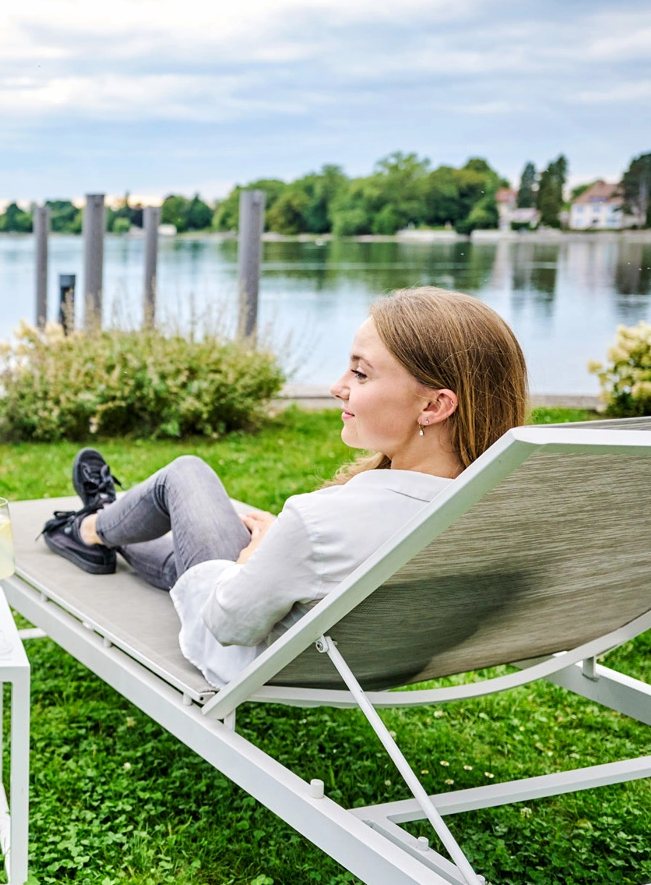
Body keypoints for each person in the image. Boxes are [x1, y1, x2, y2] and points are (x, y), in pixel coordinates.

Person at [40, 287, 529, 688]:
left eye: (360, 372)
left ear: (435, 406)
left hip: (248, 652)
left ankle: (90, 529)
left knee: (187, 476)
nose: (339, 386)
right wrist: (282, 548)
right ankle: (110, 520)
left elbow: (227, 624)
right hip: (370, 656)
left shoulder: (318, 523)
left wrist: (256, 557)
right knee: (223, 515)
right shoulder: (496, 507)